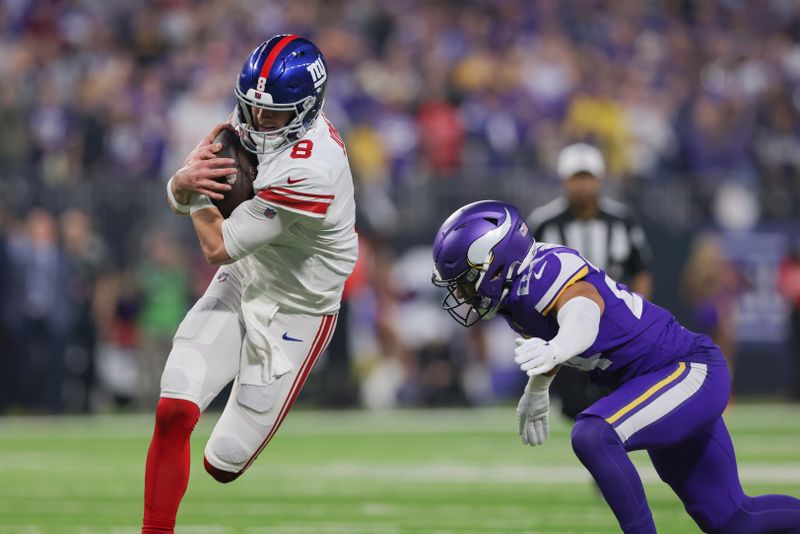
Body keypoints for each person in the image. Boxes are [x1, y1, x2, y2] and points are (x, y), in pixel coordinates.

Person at [431, 200, 800, 534]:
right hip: (660, 384)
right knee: (732, 520)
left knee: (593, 434)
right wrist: (538, 388)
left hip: (687, 371)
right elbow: (557, 333)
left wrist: (557, 348)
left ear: (496, 263)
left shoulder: (547, 268)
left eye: (464, 282)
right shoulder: (516, 296)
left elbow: (584, 314)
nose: (462, 295)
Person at [142, 34, 357, 533]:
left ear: (306, 109)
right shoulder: (252, 122)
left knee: (223, 462)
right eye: (254, 108)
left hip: (299, 308)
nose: (259, 121)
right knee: (174, 408)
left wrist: (187, 190)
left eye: (275, 113)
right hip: (244, 279)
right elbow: (195, 205)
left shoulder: (312, 169)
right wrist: (181, 185)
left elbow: (216, 243)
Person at [527, 142, 652, 419]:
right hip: (564, 319)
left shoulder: (622, 220)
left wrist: (639, 312)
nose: (583, 185)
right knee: (574, 407)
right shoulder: (544, 222)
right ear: (564, 180)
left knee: (616, 403)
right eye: (576, 178)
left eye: (587, 177)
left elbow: (640, 268)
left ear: (599, 179)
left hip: (614, 318)